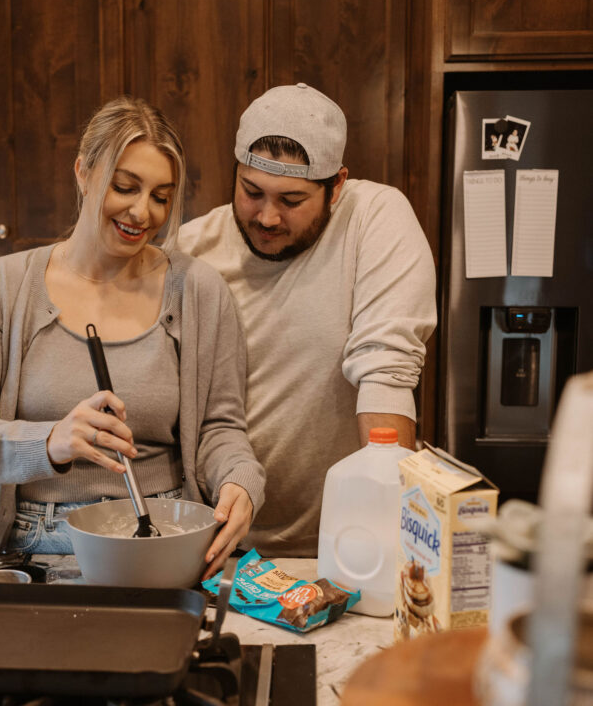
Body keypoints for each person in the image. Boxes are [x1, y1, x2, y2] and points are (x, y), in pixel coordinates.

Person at [0, 96, 265, 577]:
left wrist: (241, 481)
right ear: (83, 172)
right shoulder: (3, 286)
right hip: (33, 542)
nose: (142, 212)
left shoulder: (200, 292)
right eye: (125, 187)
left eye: (161, 197)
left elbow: (220, 429)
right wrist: (49, 442)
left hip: (165, 535)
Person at [178, 83, 436, 559]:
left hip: (347, 544)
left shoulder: (372, 218)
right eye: (252, 192)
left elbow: (386, 371)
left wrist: (396, 545)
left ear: (336, 186)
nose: (268, 217)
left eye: (292, 200)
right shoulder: (189, 252)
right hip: (212, 544)